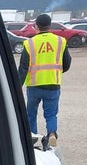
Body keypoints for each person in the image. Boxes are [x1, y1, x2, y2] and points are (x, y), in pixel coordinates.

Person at [18, 13, 71, 147]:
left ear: (36, 26)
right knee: (51, 114)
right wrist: (56, 72)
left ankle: (33, 137)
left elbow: (23, 67)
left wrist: (17, 85)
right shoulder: (60, 41)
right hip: (53, 83)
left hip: (34, 85)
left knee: (31, 113)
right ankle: (52, 134)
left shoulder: (29, 43)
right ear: (50, 26)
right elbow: (67, 62)